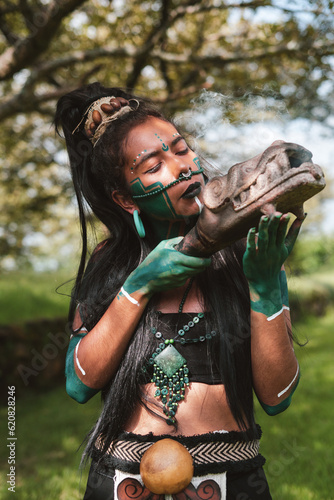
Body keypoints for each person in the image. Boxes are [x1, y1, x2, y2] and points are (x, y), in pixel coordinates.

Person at [55, 82, 303, 500]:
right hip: (122, 483)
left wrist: (265, 288)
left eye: (182, 148)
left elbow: (277, 397)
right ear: (125, 198)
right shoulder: (110, 263)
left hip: (233, 481)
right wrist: (138, 287)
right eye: (153, 166)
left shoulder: (246, 253)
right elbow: (80, 384)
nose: (183, 167)